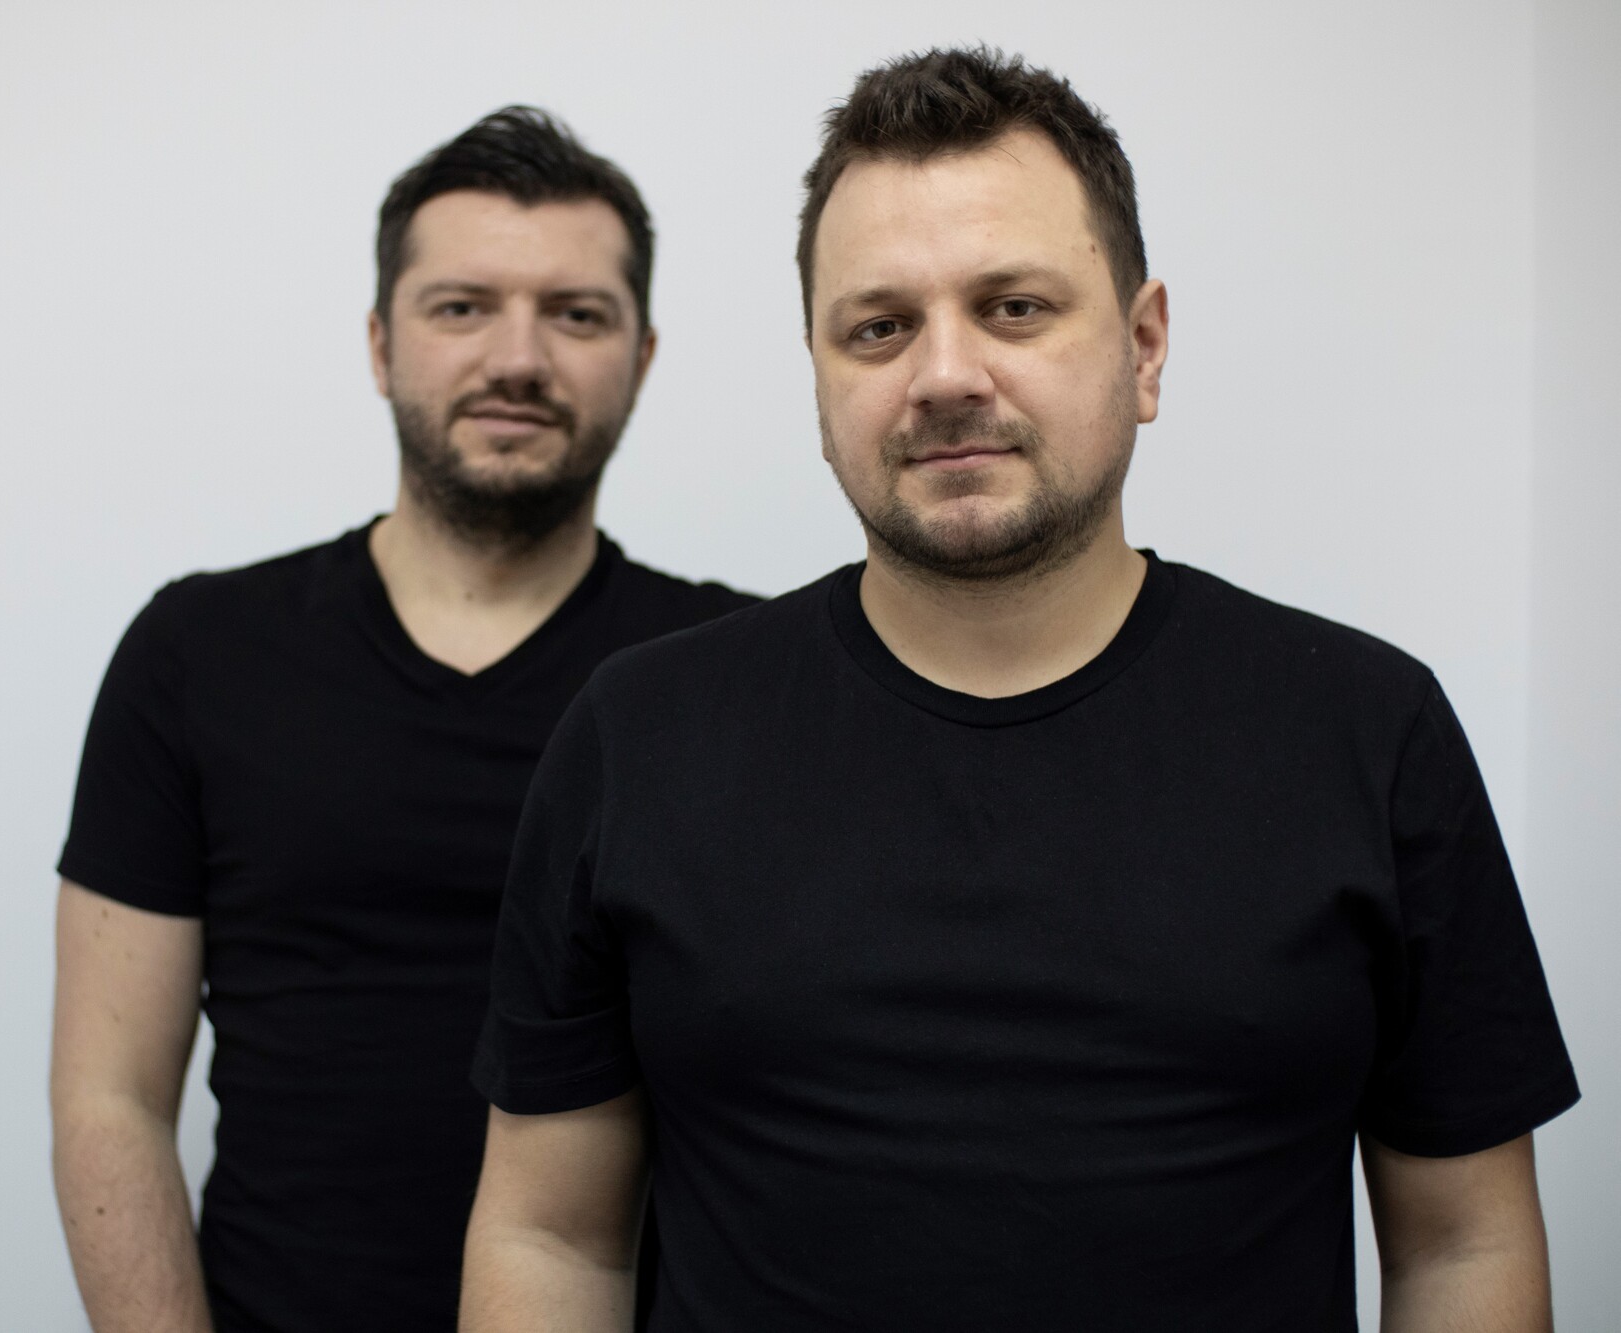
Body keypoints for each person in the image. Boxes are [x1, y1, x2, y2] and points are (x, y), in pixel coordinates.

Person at [462, 48, 1579, 1332]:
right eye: (878, 327)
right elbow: (552, 1236)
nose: (944, 375)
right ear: (819, 380)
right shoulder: (640, 735)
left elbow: (1462, 1244)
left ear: (1143, 347)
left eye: (1013, 307)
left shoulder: (1366, 732)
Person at [49, 107, 751, 1333]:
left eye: (576, 314)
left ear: (641, 358)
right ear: (380, 343)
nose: (518, 358)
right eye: (461, 306)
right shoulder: (198, 652)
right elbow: (111, 1098)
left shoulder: (728, 678)